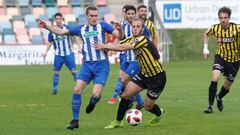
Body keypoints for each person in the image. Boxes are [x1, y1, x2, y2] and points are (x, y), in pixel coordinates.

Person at [39, 6, 121, 129]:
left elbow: (120, 37)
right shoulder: (80, 29)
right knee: (77, 89)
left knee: (96, 94)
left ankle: (93, 102)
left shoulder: (103, 26)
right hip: (87, 65)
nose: (94, 18)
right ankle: (75, 120)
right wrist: (46, 26)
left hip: (102, 66)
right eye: (91, 16)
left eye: (95, 15)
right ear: (87, 16)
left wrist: (113, 39)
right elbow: (61, 32)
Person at [93, 18, 166, 128]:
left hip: (157, 77)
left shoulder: (142, 39)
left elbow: (123, 47)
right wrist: (107, 47)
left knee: (147, 106)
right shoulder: (131, 39)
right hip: (144, 74)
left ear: (142, 29)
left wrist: (105, 46)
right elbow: (119, 44)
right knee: (125, 95)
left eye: (138, 27)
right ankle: (118, 122)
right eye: (134, 26)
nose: (135, 29)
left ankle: (159, 113)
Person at [107, 5, 146, 109]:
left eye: (132, 13)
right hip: (126, 57)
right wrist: (112, 47)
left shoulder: (140, 26)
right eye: (128, 13)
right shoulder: (123, 25)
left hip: (136, 59)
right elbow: (121, 38)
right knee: (127, 81)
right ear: (125, 14)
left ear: (135, 14)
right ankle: (138, 101)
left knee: (124, 79)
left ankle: (118, 97)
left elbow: (147, 39)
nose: (130, 15)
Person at [203, 7, 240, 113]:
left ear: (229, 18)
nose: (223, 20)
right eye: (221, 18)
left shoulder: (237, 28)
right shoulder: (215, 28)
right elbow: (206, 34)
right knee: (215, 77)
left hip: (235, 60)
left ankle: (219, 97)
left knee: (227, 86)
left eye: (225, 17)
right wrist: (205, 49)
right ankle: (210, 106)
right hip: (221, 57)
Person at [42, 13, 80, 95]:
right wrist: (46, 52)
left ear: (62, 19)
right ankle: (55, 89)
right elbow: (49, 42)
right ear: (55, 20)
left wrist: (79, 47)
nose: (58, 20)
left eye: (60, 18)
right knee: (56, 72)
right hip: (58, 55)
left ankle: (79, 87)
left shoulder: (67, 28)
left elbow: (76, 36)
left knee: (74, 71)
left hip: (68, 54)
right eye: (57, 19)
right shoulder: (52, 31)